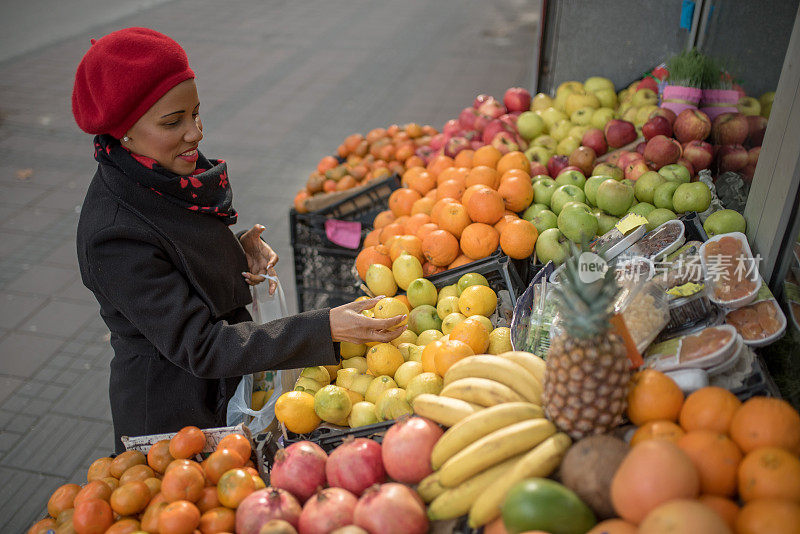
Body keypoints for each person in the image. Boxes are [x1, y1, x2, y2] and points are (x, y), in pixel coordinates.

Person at [72, 27, 404, 451]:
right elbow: (201, 346)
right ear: (123, 133)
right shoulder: (113, 234)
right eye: (173, 122)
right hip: (175, 416)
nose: (195, 132)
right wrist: (325, 327)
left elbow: (180, 257)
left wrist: (235, 251)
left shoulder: (163, 173)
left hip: (227, 387)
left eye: (195, 112)